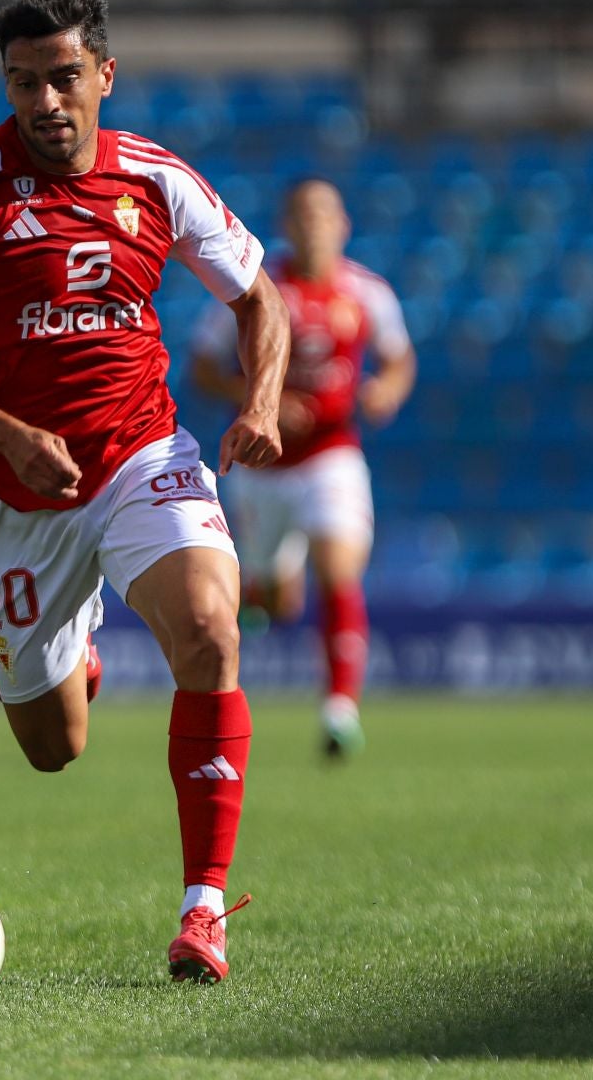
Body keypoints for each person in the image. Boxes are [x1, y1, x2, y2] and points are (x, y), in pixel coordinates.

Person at [0, 0, 290, 984]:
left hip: (141, 452)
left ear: (104, 74)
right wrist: (13, 434)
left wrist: (264, 403)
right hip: (16, 494)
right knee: (53, 746)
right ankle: (79, 649)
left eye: (65, 77)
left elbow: (259, 294)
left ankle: (204, 905)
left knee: (209, 629)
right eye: (24, 81)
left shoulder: (155, 177)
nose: (46, 100)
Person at [191, 177, 416, 760]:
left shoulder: (368, 292)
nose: (315, 223)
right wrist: (259, 399)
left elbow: (398, 358)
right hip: (264, 466)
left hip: (332, 453)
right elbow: (201, 366)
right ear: (286, 225)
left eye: (325, 213)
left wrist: (387, 391)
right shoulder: (259, 290)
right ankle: (264, 593)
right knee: (275, 600)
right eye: (303, 214)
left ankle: (340, 709)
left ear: (344, 224)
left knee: (338, 567)